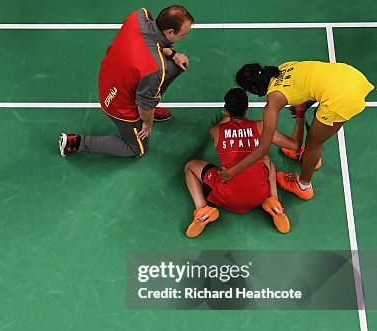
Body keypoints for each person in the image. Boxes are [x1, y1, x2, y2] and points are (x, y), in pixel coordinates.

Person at [222, 61, 374, 200]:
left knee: (313, 144)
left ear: (253, 88)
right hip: (350, 75)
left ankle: (303, 186)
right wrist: (305, 106)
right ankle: (309, 160)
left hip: (343, 97)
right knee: (317, 120)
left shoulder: (273, 100)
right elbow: (314, 81)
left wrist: (231, 172)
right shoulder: (283, 67)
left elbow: (263, 149)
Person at [58, 5, 194, 157]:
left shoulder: (139, 16)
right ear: (170, 32)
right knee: (137, 149)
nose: (184, 37)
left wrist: (172, 53)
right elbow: (144, 105)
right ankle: (76, 143)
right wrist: (147, 122)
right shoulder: (154, 68)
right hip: (116, 102)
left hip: (110, 73)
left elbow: (148, 43)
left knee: (174, 67)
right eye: (183, 35)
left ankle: (150, 103)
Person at [184, 88, 305, 238]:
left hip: (227, 197)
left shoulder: (215, 130)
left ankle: (202, 211)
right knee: (266, 159)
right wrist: (300, 116)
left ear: (226, 110)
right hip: (259, 195)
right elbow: (295, 145)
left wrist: (227, 116)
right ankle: (274, 203)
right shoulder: (261, 127)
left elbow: (225, 125)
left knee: (190, 166)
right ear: (247, 109)